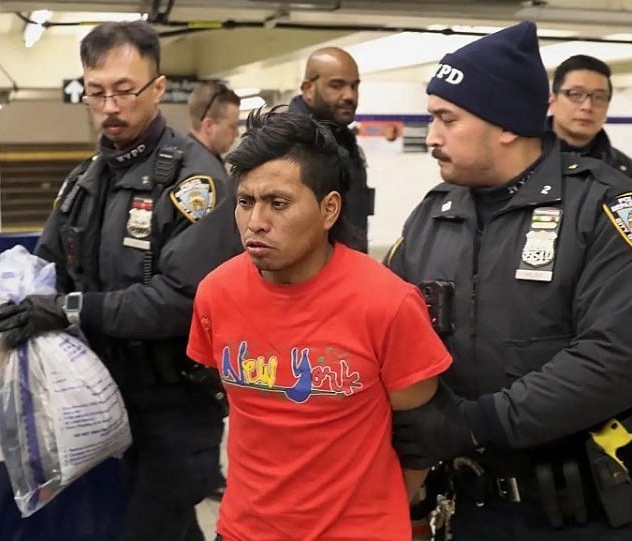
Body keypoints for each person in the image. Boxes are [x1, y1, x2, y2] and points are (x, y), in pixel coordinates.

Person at [386, 22, 632, 540]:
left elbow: (618, 360)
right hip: (469, 509)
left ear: (504, 124)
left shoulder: (608, 211)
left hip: (582, 515)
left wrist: (477, 422)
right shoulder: (432, 218)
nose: (432, 136)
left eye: (446, 119)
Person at [0, 21, 241, 541]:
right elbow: (49, 266)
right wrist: (23, 295)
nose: (110, 106)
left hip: (174, 407)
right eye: (96, 92)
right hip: (99, 402)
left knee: (150, 527)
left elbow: (181, 301)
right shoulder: (84, 181)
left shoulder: (196, 181)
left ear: (159, 88)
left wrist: (70, 309)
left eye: (125, 90)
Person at [186, 108, 453, 541]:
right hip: (241, 531)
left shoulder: (387, 302)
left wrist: (369, 514)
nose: (256, 222)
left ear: (329, 209)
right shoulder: (215, 293)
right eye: (245, 202)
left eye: (278, 203)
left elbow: (423, 436)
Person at [187, 79, 242, 501]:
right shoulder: (205, 177)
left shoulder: (201, 166)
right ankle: (206, 477)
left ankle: (206, 474)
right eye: (232, 126)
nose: (236, 135)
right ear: (210, 124)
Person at [288, 46, 375, 252]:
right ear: (308, 89)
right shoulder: (289, 144)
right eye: (337, 86)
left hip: (347, 270)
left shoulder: (343, 139)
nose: (350, 96)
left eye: (354, 86)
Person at [548, 54, 632, 204]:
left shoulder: (629, 175)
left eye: (599, 97)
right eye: (576, 94)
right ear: (552, 100)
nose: (587, 106)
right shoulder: (522, 160)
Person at [187, 81, 242, 169]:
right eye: (232, 126)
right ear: (208, 126)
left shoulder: (184, 158)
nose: (237, 134)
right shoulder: (207, 171)